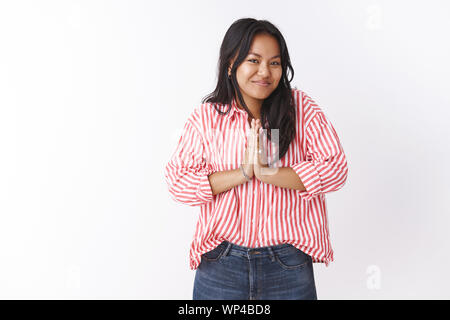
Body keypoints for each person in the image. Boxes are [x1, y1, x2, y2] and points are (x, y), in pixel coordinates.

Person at [164, 18, 348, 300]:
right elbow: (179, 183)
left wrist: (269, 173)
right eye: (254, 60)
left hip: (288, 262)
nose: (265, 72)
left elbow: (336, 168)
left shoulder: (300, 108)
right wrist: (243, 172)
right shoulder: (207, 118)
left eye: (275, 63)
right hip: (220, 262)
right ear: (230, 64)